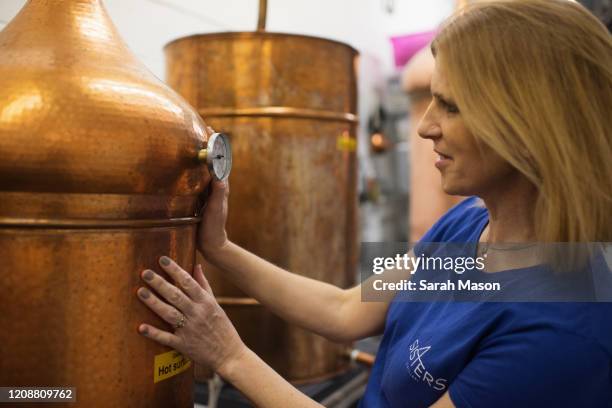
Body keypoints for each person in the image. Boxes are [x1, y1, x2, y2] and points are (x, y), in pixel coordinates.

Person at [134, 1, 612, 406]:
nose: (425, 128)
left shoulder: (560, 334)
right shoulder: (469, 226)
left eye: (451, 105)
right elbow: (346, 311)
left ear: (530, 127)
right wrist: (220, 248)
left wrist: (229, 355)